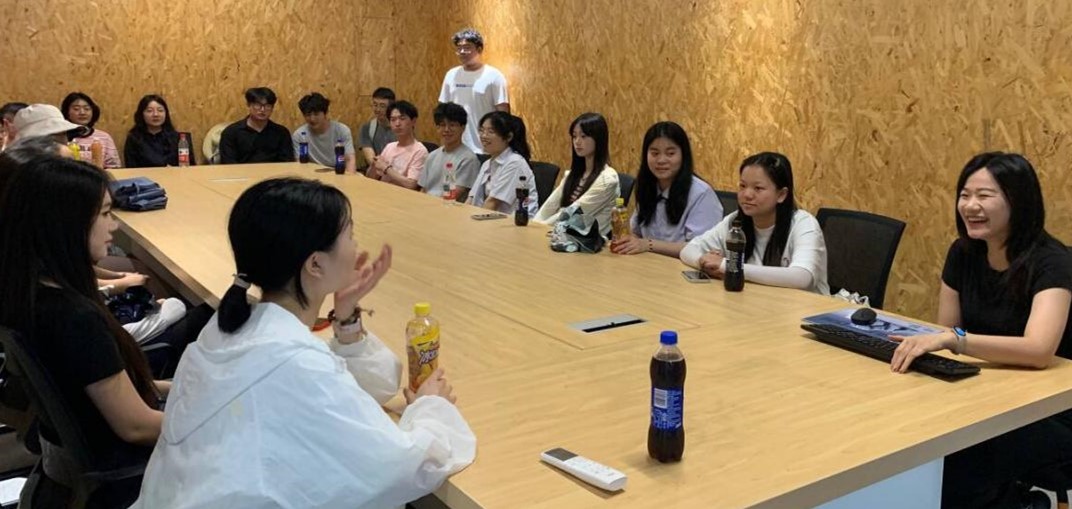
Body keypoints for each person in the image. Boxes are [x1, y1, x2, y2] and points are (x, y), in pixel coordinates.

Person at [132, 177, 475, 508]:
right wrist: (431, 407)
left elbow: (367, 387)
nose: (357, 246)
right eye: (350, 234)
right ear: (315, 263)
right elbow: (401, 466)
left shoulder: (232, 328)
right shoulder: (295, 362)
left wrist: (346, 318)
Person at [888, 152, 1072, 509]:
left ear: (1018, 201)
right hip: (985, 394)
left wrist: (957, 341)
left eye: (984, 196)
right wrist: (947, 340)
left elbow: (1039, 350)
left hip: (1049, 409)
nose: (970, 206)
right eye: (965, 195)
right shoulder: (963, 252)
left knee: (954, 462)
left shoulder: (1052, 261)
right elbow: (946, 329)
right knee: (910, 435)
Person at [0, 155, 168, 508]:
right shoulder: (74, 318)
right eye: (105, 213)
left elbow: (105, 385)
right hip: (129, 475)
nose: (114, 226)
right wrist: (215, 422)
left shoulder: (28, 294)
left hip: (73, 470)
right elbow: (136, 426)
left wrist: (189, 387)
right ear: (66, 223)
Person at [680, 152, 829, 294]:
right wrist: (705, 262)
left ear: (781, 194)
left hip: (810, 308)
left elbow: (801, 278)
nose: (747, 194)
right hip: (758, 302)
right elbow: (688, 250)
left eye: (758, 188)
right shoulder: (734, 221)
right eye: (742, 186)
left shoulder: (803, 224)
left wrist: (728, 265)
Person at [610, 121, 721, 257]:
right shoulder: (647, 186)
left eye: (670, 153)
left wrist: (648, 244)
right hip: (649, 263)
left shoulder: (701, 194)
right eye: (655, 153)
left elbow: (700, 248)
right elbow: (636, 232)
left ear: (683, 155)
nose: (661, 160)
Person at [534, 113, 620, 236]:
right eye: (574, 136)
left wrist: (540, 228)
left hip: (587, 241)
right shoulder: (572, 175)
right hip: (560, 234)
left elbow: (573, 213)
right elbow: (549, 206)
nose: (577, 142)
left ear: (598, 139)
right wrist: (534, 225)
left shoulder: (607, 179)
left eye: (583, 136)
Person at [439, 28, 510, 154]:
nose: (462, 52)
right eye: (459, 48)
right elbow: (443, 111)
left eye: (467, 48)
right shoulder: (451, 75)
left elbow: (503, 115)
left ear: (479, 49)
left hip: (484, 149)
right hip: (456, 147)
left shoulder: (494, 76)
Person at [468, 111, 538, 215]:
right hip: (489, 218)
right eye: (482, 130)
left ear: (508, 137)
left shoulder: (515, 163)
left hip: (514, 222)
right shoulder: (487, 164)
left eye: (491, 131)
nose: (484, 136)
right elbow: (471, 199)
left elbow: (492, 203)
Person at [418, 102, 480, 201]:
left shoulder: (468, 159)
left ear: (463, 128)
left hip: (449, 207)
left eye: (452, 125)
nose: (447, 129)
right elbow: (423, 189)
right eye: (442, 125)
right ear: (437, 128)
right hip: (426, 204)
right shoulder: (432, 156)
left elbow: (452, 196)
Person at [219, 87, 293, 164]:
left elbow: (287, 162)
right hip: (241, 171)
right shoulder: (231, 132)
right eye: (257, 105)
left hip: (274, 171)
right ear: (249, 105)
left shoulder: (281, 132)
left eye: (267, 106)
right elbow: (228, 163)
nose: (262, 110)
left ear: (272, 108)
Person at [367, 100, 427, 189]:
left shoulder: (420, 150)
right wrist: (374, 165)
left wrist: (386, 168)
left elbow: (411, 185)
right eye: (393, 120)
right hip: (382, 191)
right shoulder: (389, 147)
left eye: (402, 119)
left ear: (413, 121)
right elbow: (370, 178)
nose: (397, 124)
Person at [123, 94, 196, 168]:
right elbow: (131, 168)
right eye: (149, 111)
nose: (156, 114)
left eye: (160, 110)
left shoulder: (179, 139)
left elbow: (190, 167)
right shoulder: (134, 139)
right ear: (141, 114)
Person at [291, 92, 356, 173]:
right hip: (312, 173)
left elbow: (349, 160)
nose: (312, 119)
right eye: (308, 115)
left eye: (316, 114)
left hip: (338, 172)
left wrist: (350, 178)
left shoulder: (342, 130)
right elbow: (299, 164)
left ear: (325, 113)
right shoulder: (299, 135)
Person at [61, 92, 122, 168]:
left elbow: (114, 166)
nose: (82, 112)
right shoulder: (60, 136)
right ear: (67, 112)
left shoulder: (104, 137)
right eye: (76, 109)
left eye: (87, 109)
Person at [357, 87, 398, 171]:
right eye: (375, 105)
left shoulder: (401, 128)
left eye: (382, 106)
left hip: (399, 171)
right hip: (377, 172)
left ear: (391, 107)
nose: (378, 110)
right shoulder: (367, 128)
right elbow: (371, 160)